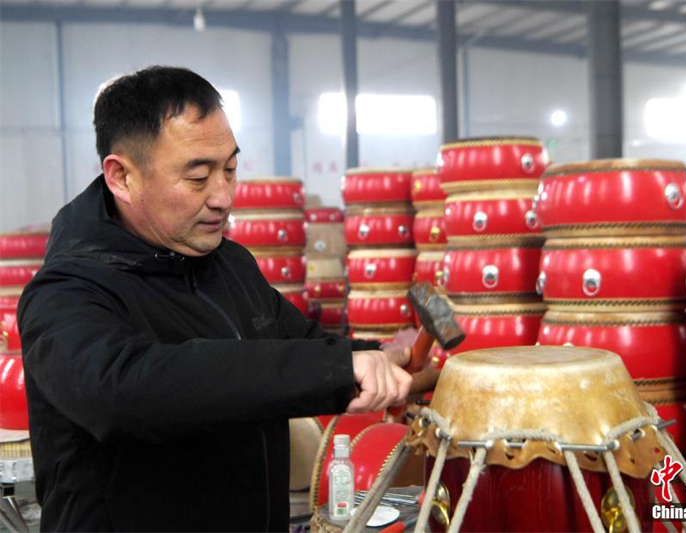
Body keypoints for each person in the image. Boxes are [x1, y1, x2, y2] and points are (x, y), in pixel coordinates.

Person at [17, 65, 413, 532]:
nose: (224, 198)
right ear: (121, 177)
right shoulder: (66, 293)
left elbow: (299, 343)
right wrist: (335, 370)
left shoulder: (229, 266)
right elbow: (128, 391)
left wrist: (384, 357)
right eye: (198, 178)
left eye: (230, 169)